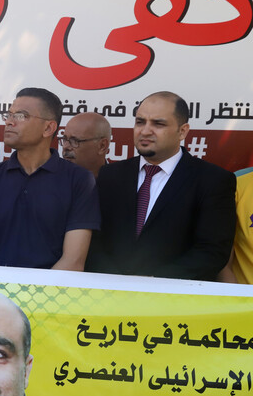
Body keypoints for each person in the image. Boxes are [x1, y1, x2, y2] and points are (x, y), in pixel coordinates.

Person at [87, 91, 236, 280]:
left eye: (158, 124)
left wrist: (153, 283)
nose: (145, 131)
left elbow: (213, 251)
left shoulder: (213, 180)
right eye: (140, 122)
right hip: (109, 294)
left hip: (174, 301)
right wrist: (117, 282)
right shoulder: (111, 175)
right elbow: (93, 239)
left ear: (182, 131)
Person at [0, 88, 99, 270]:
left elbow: (73, 261)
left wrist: (36, 296)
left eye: (21, 116)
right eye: (9, 114)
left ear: (48, 128)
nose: (9, 122)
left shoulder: (79, 180)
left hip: (53, 294)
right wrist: (0, 293)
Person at [60, 112, 111, 179]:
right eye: (64, 139)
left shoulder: (120, 185)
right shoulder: (52, 182)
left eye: (75, 141)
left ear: (102, 146)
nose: (65, 147)